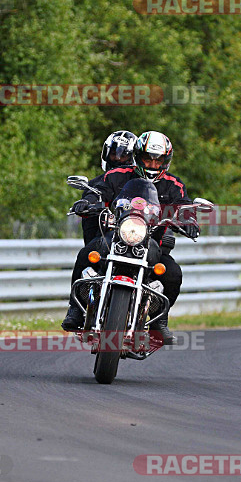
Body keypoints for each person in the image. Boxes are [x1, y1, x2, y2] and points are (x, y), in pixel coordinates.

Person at [62, 131, 200, 345]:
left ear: (166, 161)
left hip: (152, 242)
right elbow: (99, 190)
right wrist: (88, 201)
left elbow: (184, 205)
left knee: (172, 273)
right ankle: (75, 310)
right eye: (148, 158)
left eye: (158, 159)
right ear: (137, 156)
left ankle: (158, 322)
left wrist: (189, 221)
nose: (153, 164)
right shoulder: (118, 175)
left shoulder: (174, 185)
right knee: (87, 254)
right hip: (116, 236)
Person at [80, 130, 137, 244]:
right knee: (86, 255)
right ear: (106, 154)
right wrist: (85, 203)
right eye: (113, 154)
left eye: (123, 156)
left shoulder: (141, 183)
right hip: (106, 237)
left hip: (137, 235)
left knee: (162, 260)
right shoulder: (95, 183)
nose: (117, 159)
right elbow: (93, 195)